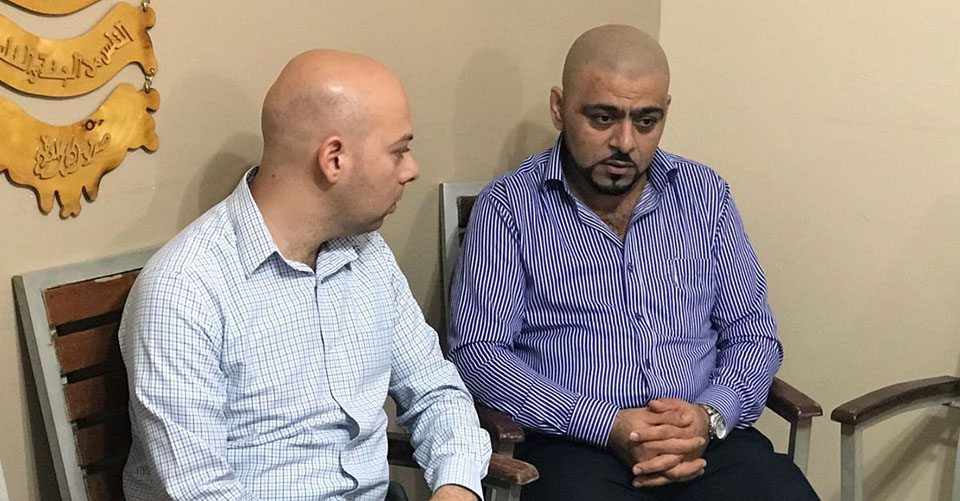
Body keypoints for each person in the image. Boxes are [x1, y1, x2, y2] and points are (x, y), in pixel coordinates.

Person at [448, 25, 818, 500]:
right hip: (576, 446)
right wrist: (606, 424)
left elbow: (753, 333)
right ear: (559, 107)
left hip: (703, 441)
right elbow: (479, 354)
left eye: (646, 121)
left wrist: (707, 416)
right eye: (603, 118)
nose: (625, 141)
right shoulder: (510, 207)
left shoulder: (705, 195)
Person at [120, 49, 490, 501]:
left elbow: (437, 393)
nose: (411, 170)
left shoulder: (367, 253)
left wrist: (456, 487)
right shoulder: (184, 289)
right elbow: (200, 491)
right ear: (333, 158)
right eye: (399, 151)